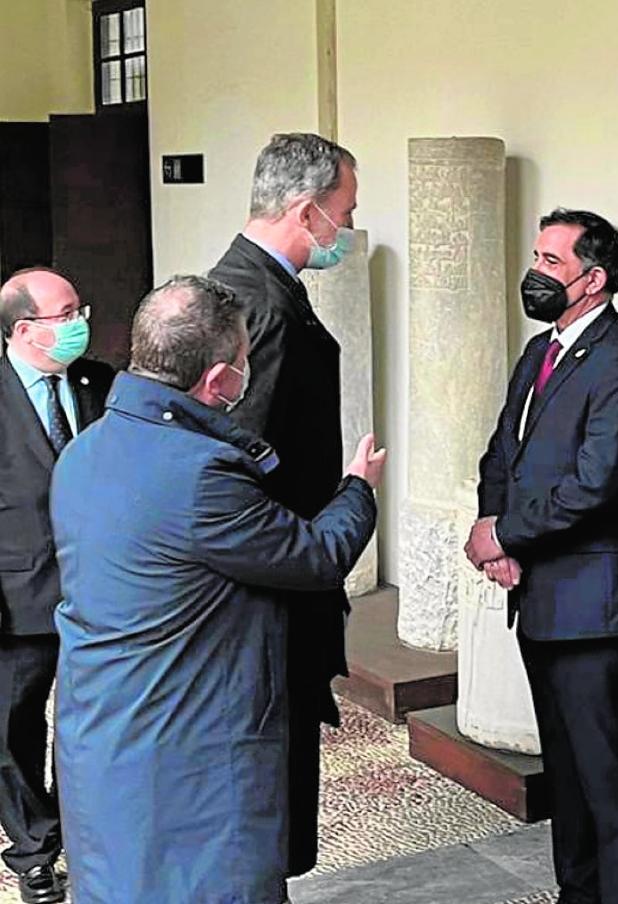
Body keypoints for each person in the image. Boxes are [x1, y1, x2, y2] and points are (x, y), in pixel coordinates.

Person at [50, 275, 383, 904]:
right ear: (219, 382)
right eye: (244, 361)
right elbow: (313, 557)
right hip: (189, 755)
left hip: (101, 737)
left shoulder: (84, 452)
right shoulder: (201, 475)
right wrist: (357, 489)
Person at [467, 208, 618, 904]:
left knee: (606, 770)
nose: (536, 273)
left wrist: (508, 535)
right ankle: (577, 892)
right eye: (538, 257)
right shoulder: (540, 351)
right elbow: (504, 453)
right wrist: (495, 529)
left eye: (551, 261)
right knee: (566, 768)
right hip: (540, 592)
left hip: (595, 605)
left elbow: (595, 484)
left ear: (594, 279)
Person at [207, 131, 358, 876]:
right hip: (267, 595)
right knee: (262, 794)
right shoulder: (256, 305)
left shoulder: (251, 283)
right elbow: (240, 469)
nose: (348, 232)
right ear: (307, 211)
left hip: (278, 583)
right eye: (345, 213)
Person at [0, 268, 112, 904]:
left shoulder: (100, 381)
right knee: (12, 733)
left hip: (98, 594)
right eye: (66, 314)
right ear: (24, 330)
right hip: (17, 603)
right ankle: (35, 850)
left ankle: (92, 836)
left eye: (80, 309)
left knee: (93, 725)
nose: (80, 324)